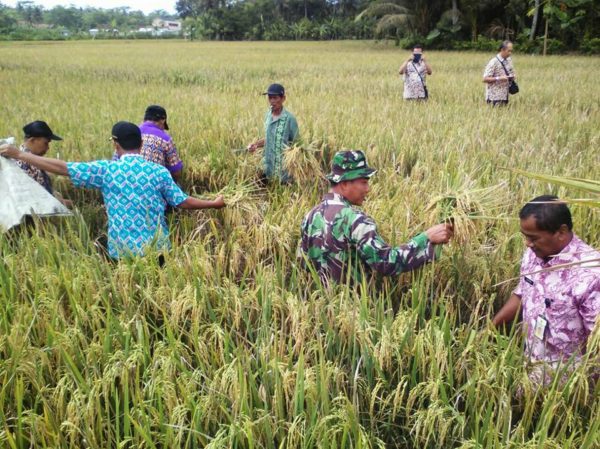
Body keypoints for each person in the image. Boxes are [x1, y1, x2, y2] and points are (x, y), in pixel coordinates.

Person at [1, 121, 225, 261]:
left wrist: (20, 154)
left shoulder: (106, 170)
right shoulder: (159, 172)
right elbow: (183, 201)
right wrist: (213, 203)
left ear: (116, 144)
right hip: (158, 250)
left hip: (122, 251)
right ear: (141, 144)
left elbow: (64, 168)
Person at [298, 150, 453, 286]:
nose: (368, 189)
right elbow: (387, 263)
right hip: (353, 312)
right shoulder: (356, 221)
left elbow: (302, 266)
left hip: (318, 314)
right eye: (363, 182)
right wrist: (426, 238)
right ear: (344, 183)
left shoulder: (310, 216)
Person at [492, 196, 599, 383]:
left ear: (561, 232)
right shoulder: (534, 253)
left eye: (533, 238)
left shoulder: (589, 275)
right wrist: (490, 329)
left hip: (568, 384)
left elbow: (597, 342)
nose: (527, 243)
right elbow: (522, 293)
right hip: (531, 364)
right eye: (525, 236)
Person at [112, 105, 183, 182]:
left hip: (125, 182)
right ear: (162, 121)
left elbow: (114, 162)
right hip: (153, 184)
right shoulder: (165, 138)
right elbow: (176, 171)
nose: (163, 129)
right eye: (163, 126)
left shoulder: (131, 133)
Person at [246, 83, 299, 184]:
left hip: (284, 175)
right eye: (270, 98)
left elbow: (297, 145)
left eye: (275, 98)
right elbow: (269, 138)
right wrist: (255, 145)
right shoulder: (268, 115)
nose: (272, 101)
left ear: (283, 98)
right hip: (268, 171)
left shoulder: (289, 119)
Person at [15, 121, 71, 207]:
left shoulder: (23, 157)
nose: (48, 147)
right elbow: (43, 201)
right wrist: (72, 204)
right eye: (46, 143)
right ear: (32, 140)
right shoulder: (29, 163)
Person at [483, 40, 516, 106]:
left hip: (505, 96)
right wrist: (499, 78)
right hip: (494, 97)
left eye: (511, 51)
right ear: (502, 50)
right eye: (508, 51)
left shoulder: (509, 60)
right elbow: (485, 79)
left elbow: (511, 72)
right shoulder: (493, 62)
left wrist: (512, 76)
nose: (510, 53)